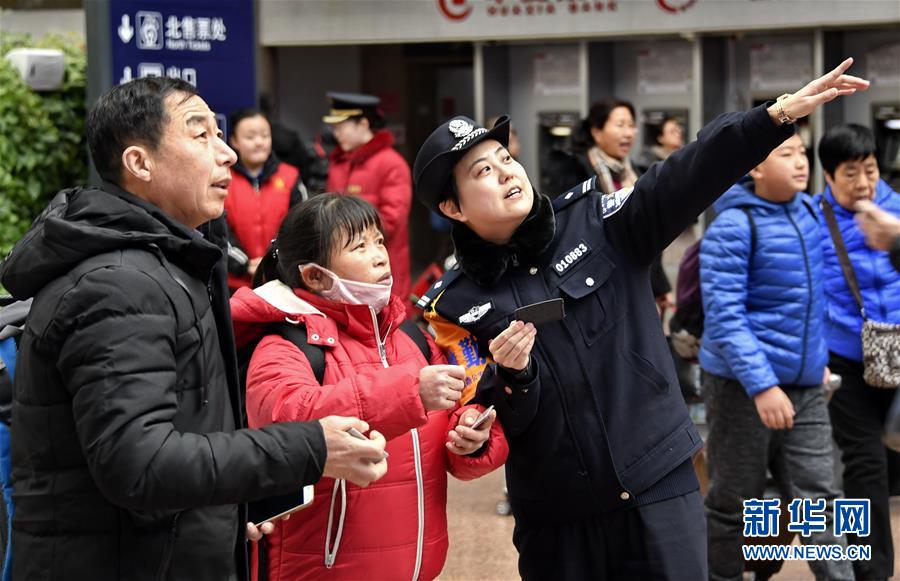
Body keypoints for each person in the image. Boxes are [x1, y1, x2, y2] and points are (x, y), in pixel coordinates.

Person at [412, 59, 867, 579]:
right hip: (558, 518)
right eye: (482, 172)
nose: (506, 172)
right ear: (453, 208)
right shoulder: (454, 305)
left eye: (503, 158)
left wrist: (774, 117)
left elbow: (687, 173)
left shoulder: (597, 222)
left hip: (658, 488)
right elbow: (479, 418)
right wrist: (509, 382)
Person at [0, 77, 389, 581]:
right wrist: (310, 447)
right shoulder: (118, 284)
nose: (226, 153)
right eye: (200, 134)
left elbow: (180, 439)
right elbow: (140, 466)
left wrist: (221, 515)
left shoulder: (170, 264)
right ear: (140, 163)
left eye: (220, 134)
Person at [231, 193, 508, 579]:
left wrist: (470, 437)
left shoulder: (411, 337)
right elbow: (291, 423)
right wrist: (410, 392)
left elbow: (452, 446)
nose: (379, 254)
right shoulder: (284, 345)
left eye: (378, 241)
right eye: (359, 246)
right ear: (314, 275)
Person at [698, 133, 852, 581]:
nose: (800, 162)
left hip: (804, 386)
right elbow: (725, 317)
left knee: (823, 500)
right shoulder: (732, 227)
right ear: (755, 168)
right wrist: (763, 385)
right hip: (740, 388)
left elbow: (813, 296)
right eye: (786, 154)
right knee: (734, 500)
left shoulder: (808, 212)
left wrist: (817, 358)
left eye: (802, 152)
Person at [814, 123, 900, 581]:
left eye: (869, 170)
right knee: (864, 463)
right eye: (851, 174)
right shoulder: (812, 220)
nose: (864, 183)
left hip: (899, 351)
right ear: (828, 176)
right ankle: (873, 573)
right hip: (844, 357)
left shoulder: (897, 212)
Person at [546, 99, 672, 312]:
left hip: (637, 283)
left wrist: (660, 287)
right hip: (594, 289)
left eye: (631, 125)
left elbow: (648, 237)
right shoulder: (573, 172)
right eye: (620, 125)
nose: (628, 133)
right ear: (596, 131)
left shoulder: (637, 176)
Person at [324, 92, 413, 310]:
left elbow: (391, 221)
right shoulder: (338, 163)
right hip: (343, 273)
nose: (336, 134)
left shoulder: (391, 163)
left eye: (341, 127)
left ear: (363, 124)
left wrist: (343, 234)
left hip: (382, 268)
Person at [224, 108, 307, 290]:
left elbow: (300, 226)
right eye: (250, 137)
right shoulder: (222, 178)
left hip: (282, 282)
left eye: (264, 135)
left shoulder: (290, 176)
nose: (259, 142)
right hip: (235, 286)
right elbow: (218, 232)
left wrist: (274, 262)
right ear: (234, 141)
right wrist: (245, 264)